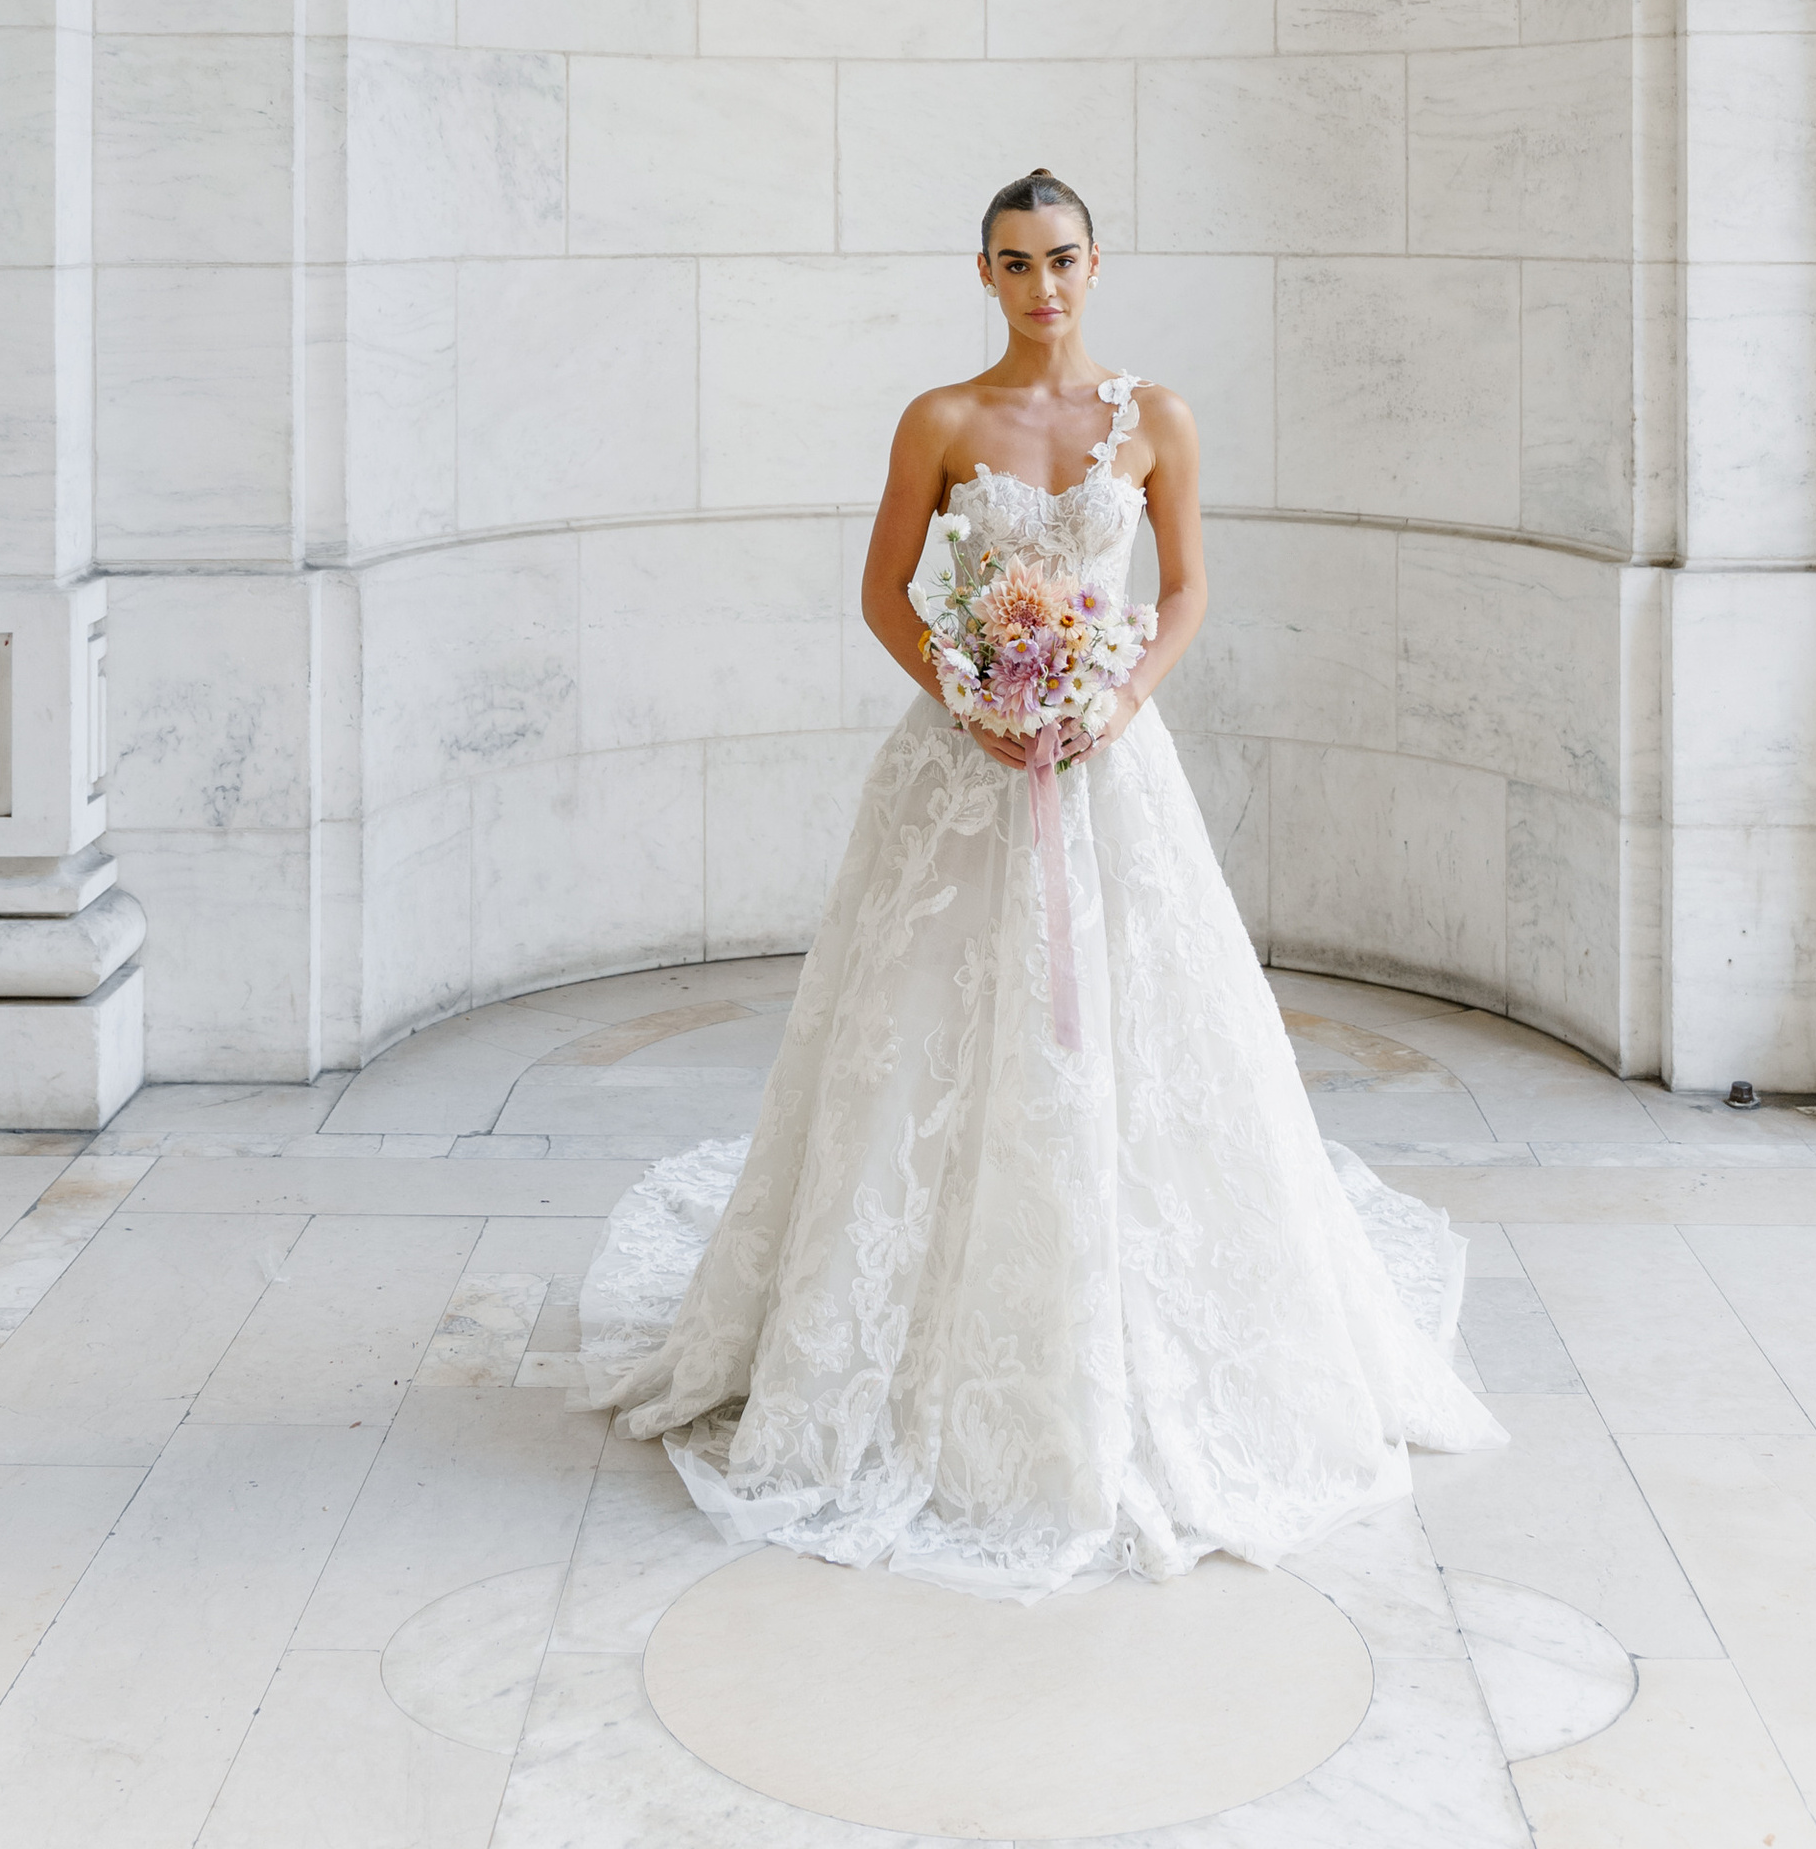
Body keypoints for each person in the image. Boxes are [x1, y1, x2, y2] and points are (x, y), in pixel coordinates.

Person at [575, 167, 1502, 1595]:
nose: (1042, 286)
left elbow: (1184, 588)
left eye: (1062, 259)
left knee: (1135, 1044)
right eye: (1014, 263)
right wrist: (975, 697)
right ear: (985, 273)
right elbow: (885, 591)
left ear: (1096, 260)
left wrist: (1114, 699)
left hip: (1110, 764)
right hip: (965, 772)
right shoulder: (941, 421)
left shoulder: (1157, 420)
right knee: (933, 1044)